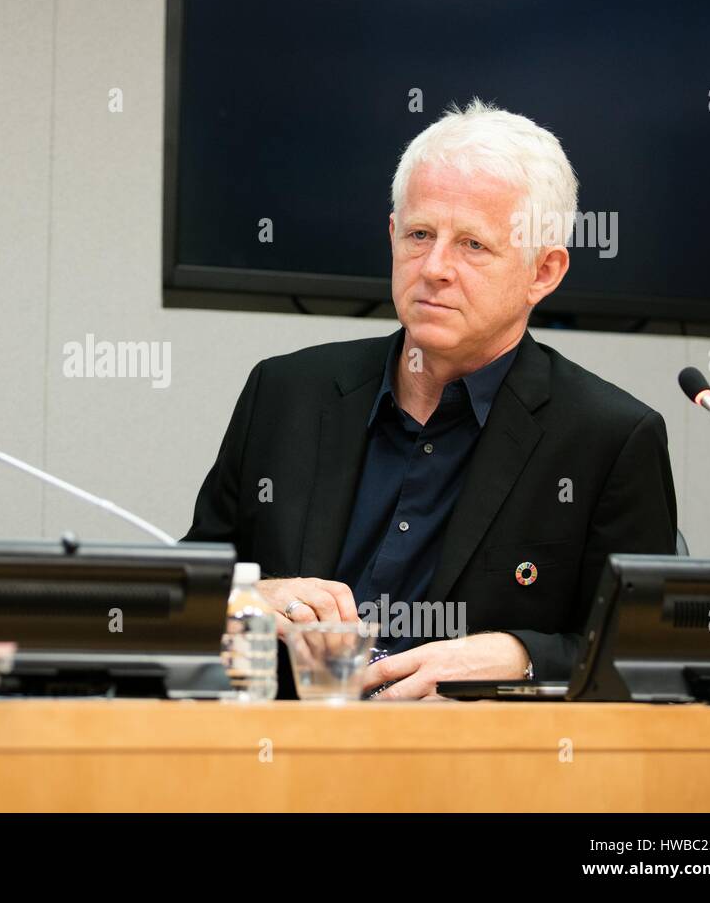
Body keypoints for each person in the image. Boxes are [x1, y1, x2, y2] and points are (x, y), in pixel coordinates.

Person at [185, 100, 677, 698]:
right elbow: (181, 597)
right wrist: (248, 598)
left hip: (477, 781)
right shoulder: (286, 393)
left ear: (543, 272)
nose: (435, 267)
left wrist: (522, 655)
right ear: (393, 237)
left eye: (473, 244)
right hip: (272, 768)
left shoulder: (608, 438)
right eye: (420, 235)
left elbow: (646, 662)